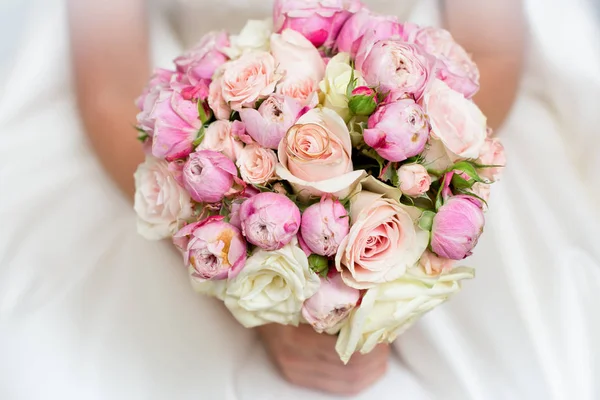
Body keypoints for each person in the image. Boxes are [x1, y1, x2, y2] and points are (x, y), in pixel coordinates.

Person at [0, 0, 598, 399]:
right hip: (203, 139)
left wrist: (386, 280)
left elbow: (491, 50)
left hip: (431, 113)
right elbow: (109, 86)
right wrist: (251, 281)